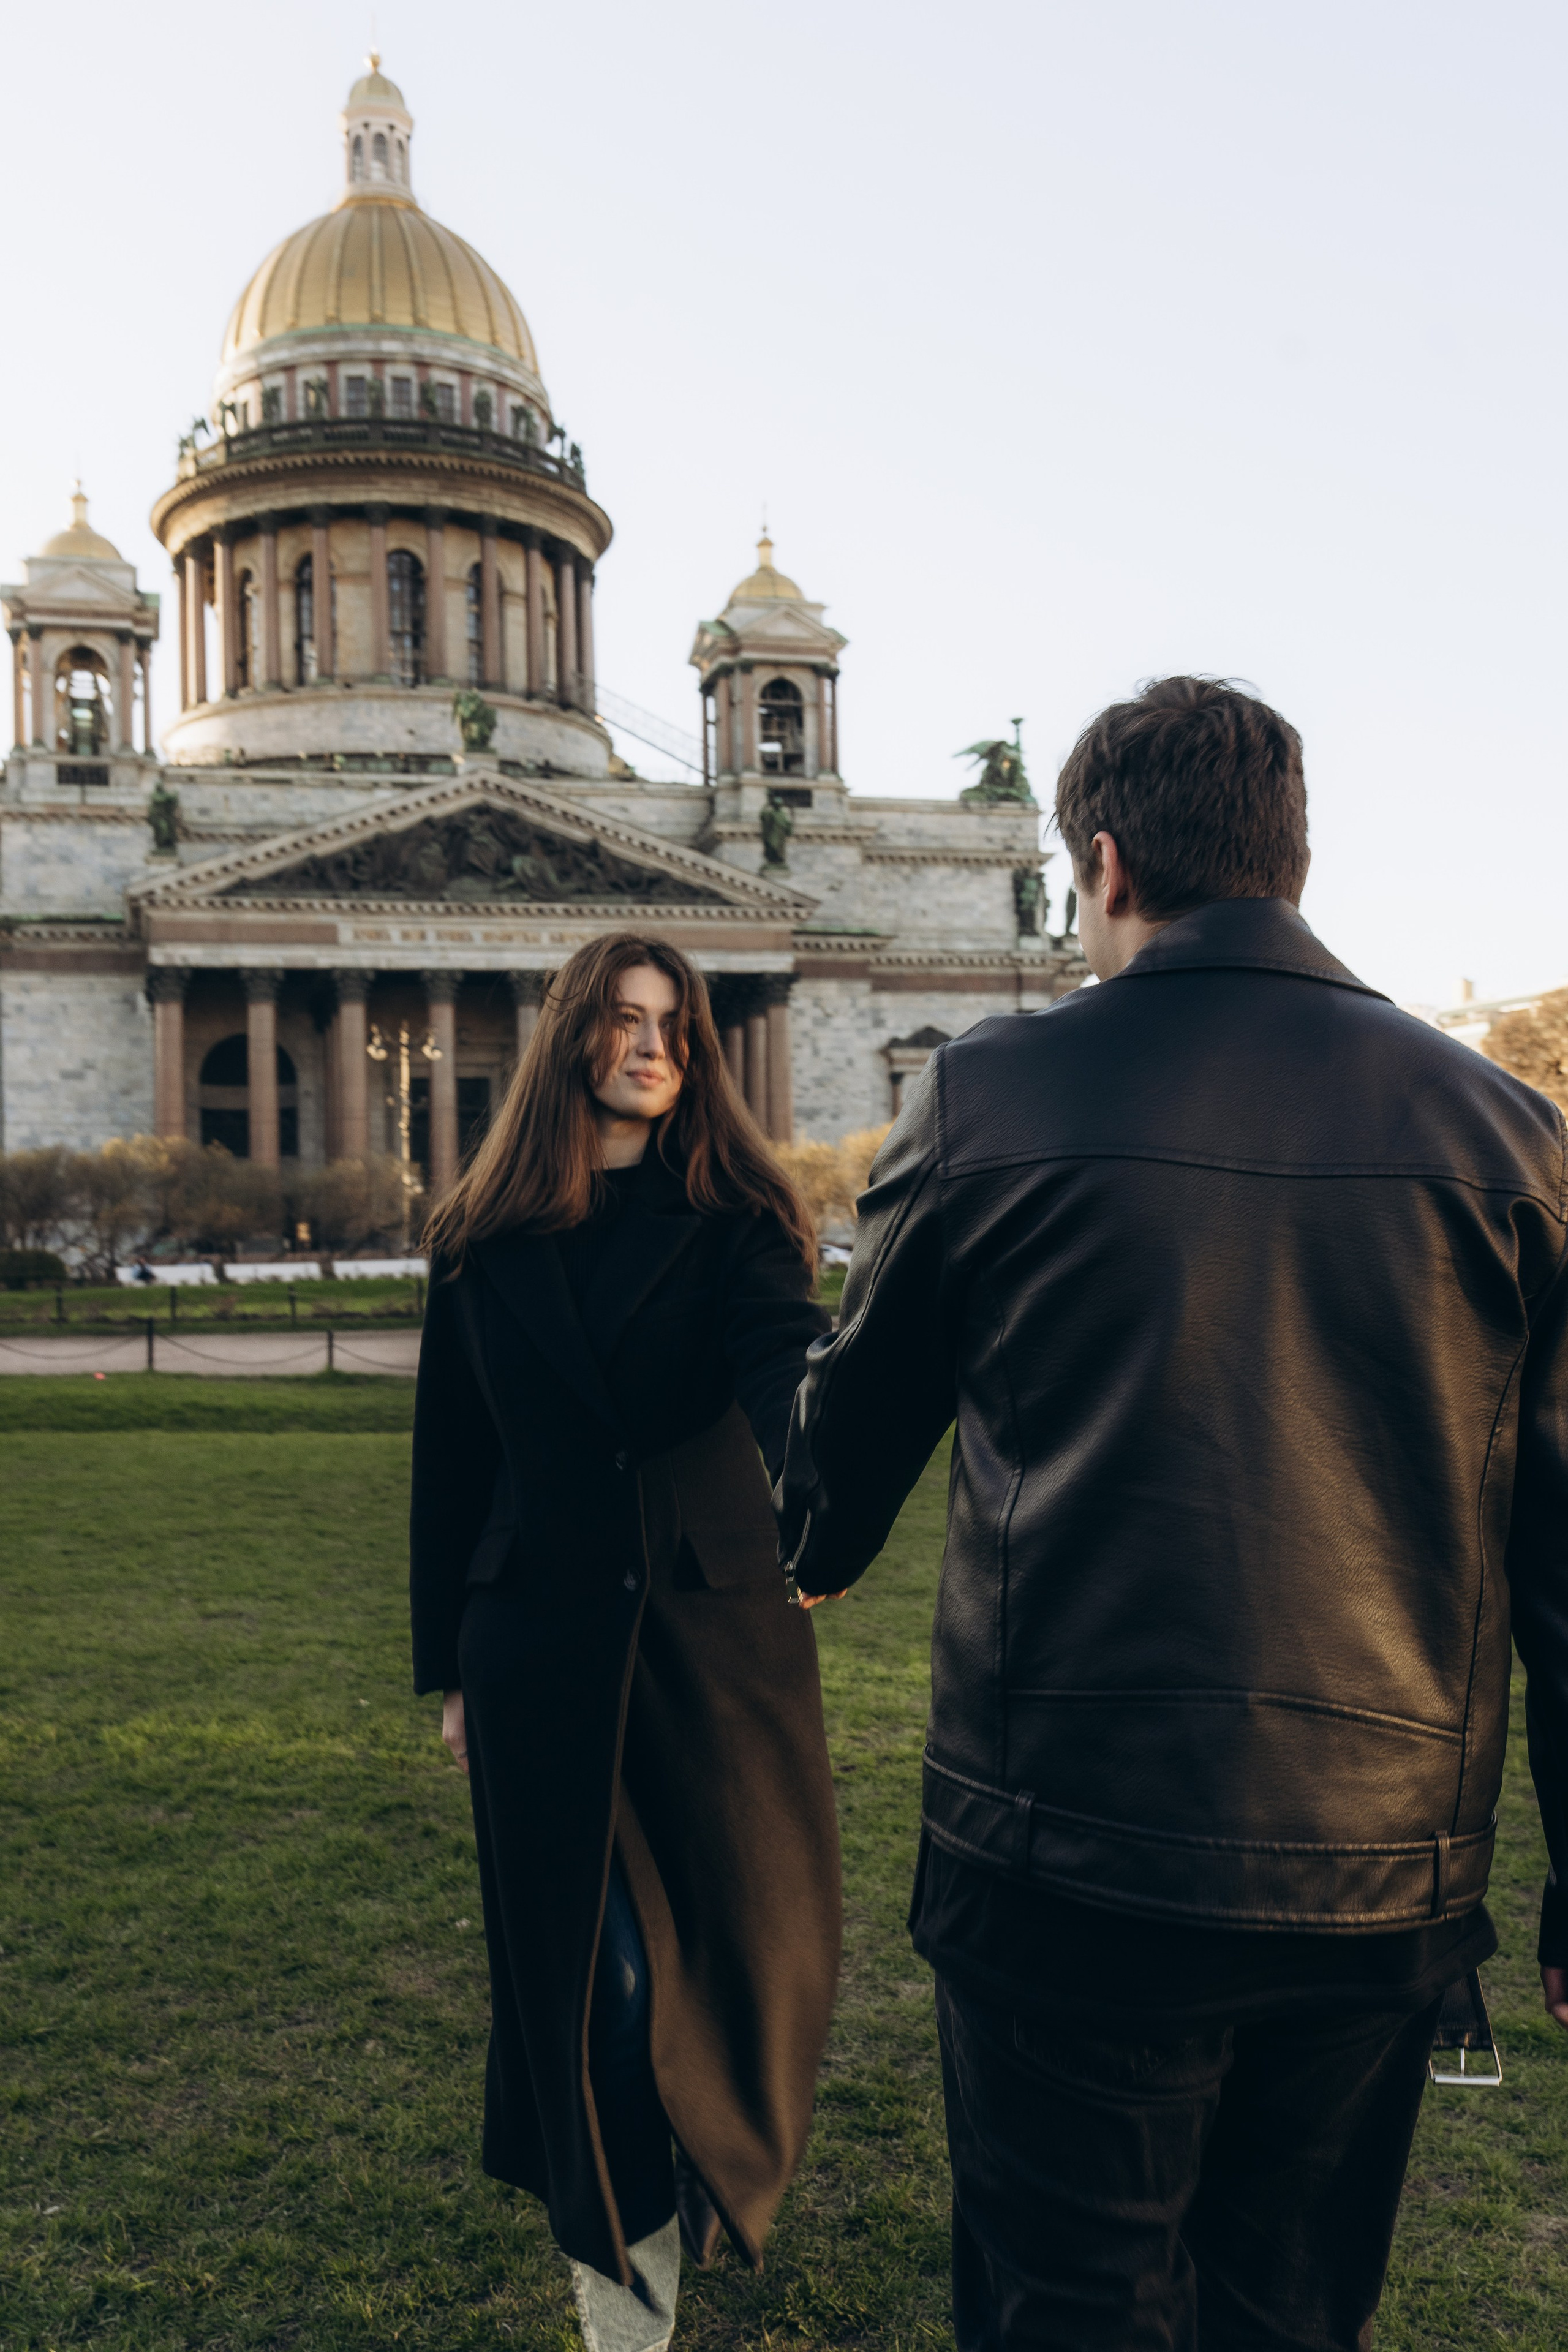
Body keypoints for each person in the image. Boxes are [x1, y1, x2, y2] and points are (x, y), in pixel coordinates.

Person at [776, 676, 1568, 2350]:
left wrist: (791, 1474)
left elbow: (832, 1489)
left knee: (1069, 2309)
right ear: (1289, 861)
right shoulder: (1509, 1135)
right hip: (1380, 1879)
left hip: (1069, 1859)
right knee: (1290, 2318)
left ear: (1110, 865)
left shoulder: (994, 1095)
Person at [412, 933, 840, 2352]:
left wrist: (821, 1461)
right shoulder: (481, 1241)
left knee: (735, 1959)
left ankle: (703, 2175)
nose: (652, 1046)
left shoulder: (738, 1222)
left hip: (708, 1652)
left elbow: (783, 1368)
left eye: (674, 1025)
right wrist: (450, 1668)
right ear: (568, 1041)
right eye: (621, 1020)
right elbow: (450, 1466)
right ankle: (622, 2308)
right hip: (536, 1649)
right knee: (596, 1985)